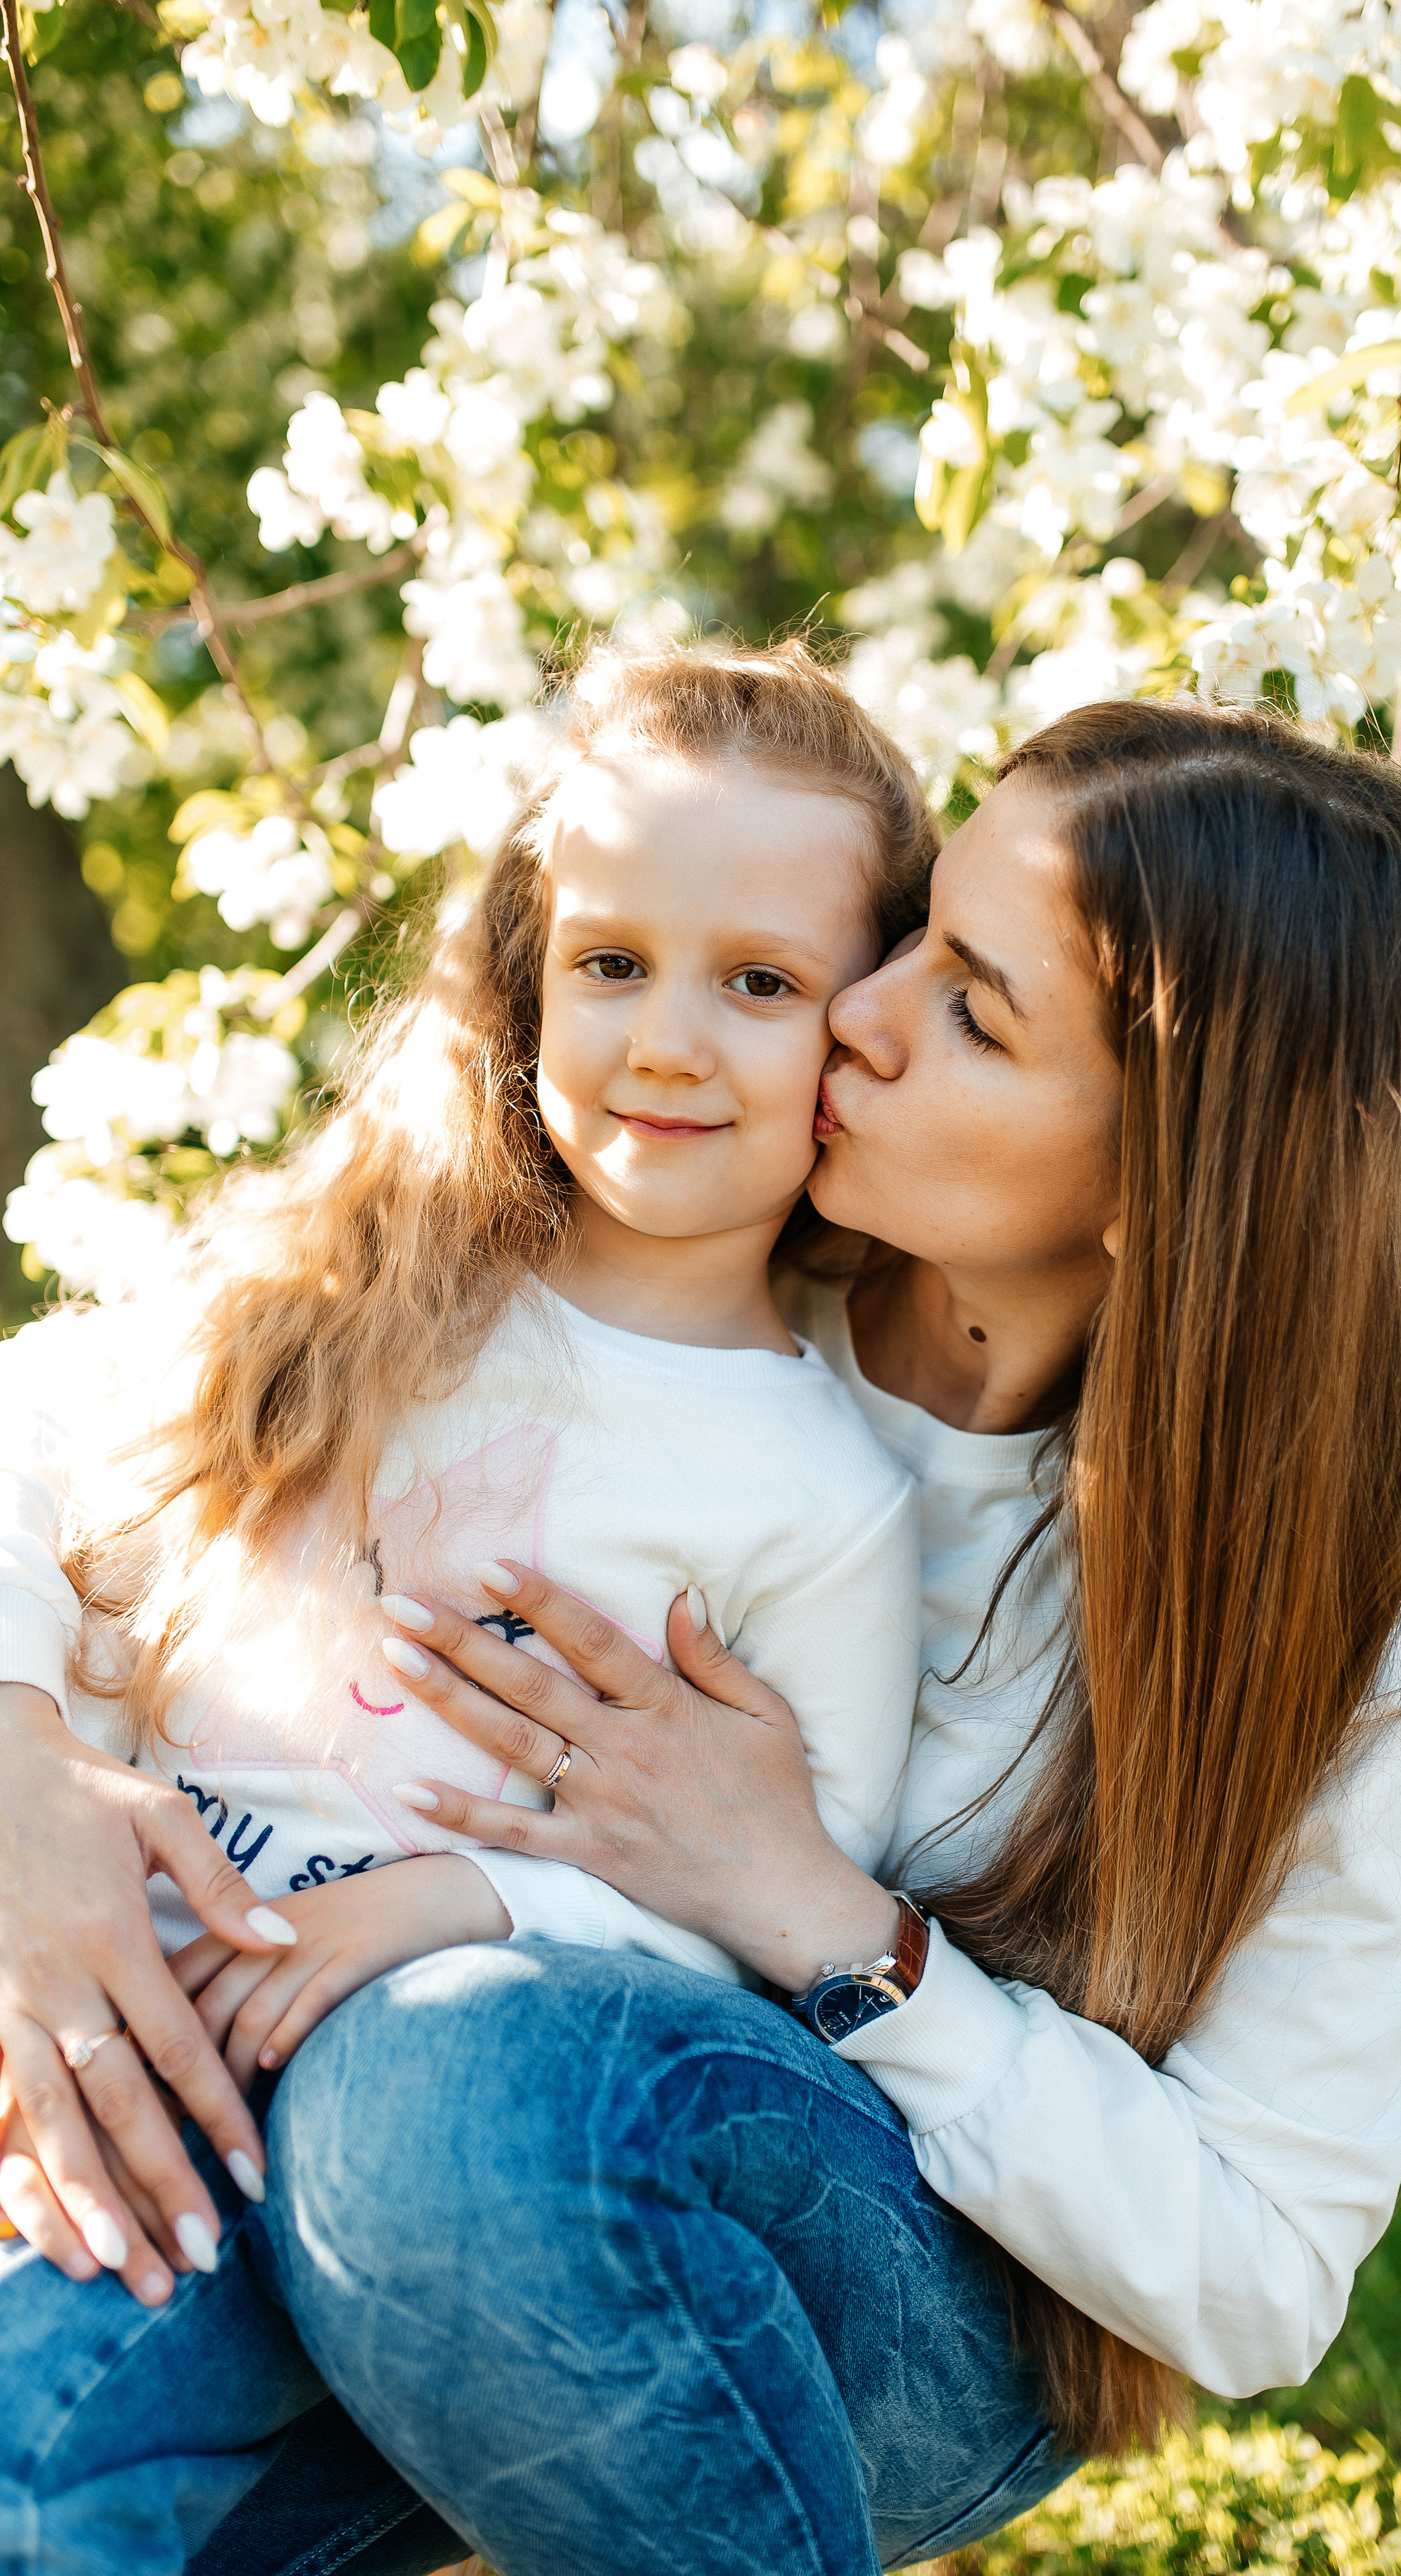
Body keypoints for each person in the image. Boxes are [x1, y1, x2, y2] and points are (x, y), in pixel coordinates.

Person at [0, 695, 1401, 2576]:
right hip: (354, 2157)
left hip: (872, 2304)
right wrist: (22, 1771)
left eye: (969, 1004)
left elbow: (1265, 2275)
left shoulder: (1309, 1642)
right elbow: (54, 1426)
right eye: (904, 940)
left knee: (446, 2084)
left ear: (1164, 1181)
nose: (861, 1018)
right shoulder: (675, 1248)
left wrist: (839, 1931)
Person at [0, 638, 931, 2297]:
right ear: (527, 978)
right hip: (71, 2004)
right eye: (614, 962)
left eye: (760, 984)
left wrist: (472, 1904)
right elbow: (38, 1449)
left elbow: (775, 1905)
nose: (665, 1042)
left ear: (860, 1030)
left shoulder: (822, 1499)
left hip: (365, 2140)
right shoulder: (350, 1285)